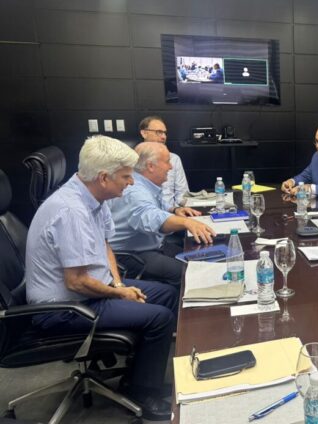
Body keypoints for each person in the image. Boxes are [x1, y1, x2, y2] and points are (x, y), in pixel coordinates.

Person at [24, 135, 178, 421]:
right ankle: (143, 394)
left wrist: (118, 283)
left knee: (167, 295)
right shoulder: (71, 211)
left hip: (91, 289)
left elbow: (105, 245)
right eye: (126, 176)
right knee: (160, 318)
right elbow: (76, 282)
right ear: (104, 177)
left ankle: (138, 375)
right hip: (65, 308)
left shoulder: (95, 197)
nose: (131, 182)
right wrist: (120, 294)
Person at [108, 142, 216, 285]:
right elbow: (150, 217)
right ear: (150, 166)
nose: (170, 167)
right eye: (167, 162)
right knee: (191, 273)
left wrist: (175, 210)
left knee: (200, 259)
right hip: (133, 255)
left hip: (152, 245)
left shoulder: (143, 183)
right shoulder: (135, 190)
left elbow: (155, 204)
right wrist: (186, 222)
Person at [139, 116, 190, 212]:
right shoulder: (132, 160)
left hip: (173, 213)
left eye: (164, 133)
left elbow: (182, 194)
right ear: (144, 133)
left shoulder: (174, 159)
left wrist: (183, 210)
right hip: (146, 213)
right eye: (158, 132)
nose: (163, 137)